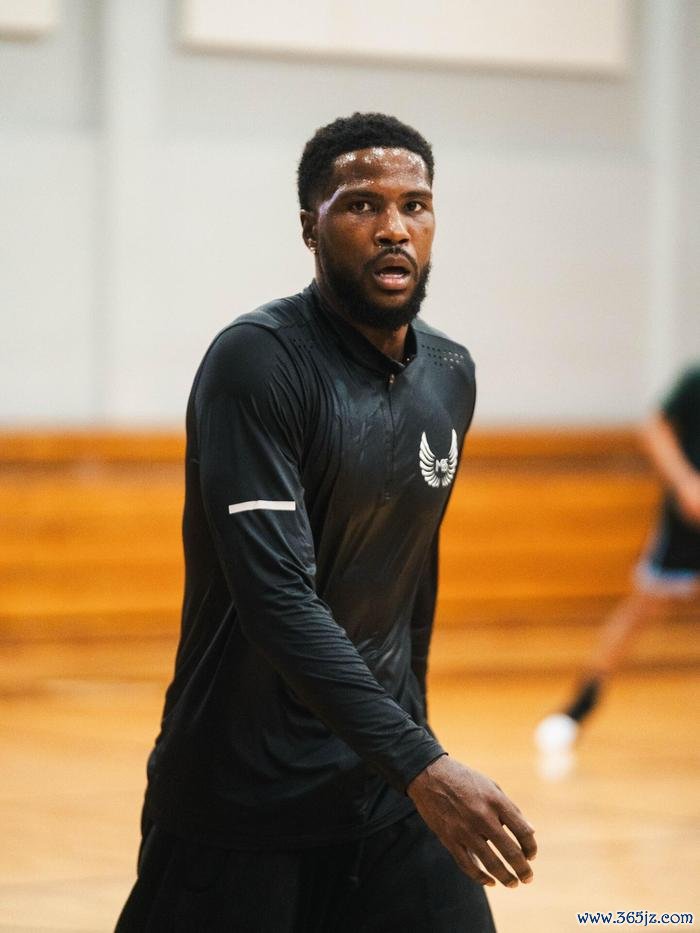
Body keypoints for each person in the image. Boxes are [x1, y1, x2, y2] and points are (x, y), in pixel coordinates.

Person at [117, 112, 537, 932]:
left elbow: (412, 567)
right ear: (311, 228)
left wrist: (411, 741)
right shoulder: (258, 361)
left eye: (415, 204)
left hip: (383, 784)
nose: (394, 228)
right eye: (362, 205)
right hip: (240, 801)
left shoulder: (451, 372)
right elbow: (276, 597)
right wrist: (424, 763)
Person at [535, 363, 700, 754]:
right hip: (687, 521)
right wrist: (685, 483)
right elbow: (655, 428)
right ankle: (580, 705)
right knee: (644, 606)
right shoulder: (695, 382)